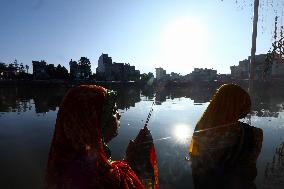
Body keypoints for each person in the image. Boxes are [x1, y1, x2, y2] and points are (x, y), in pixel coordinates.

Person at [46, 85, 158, 189]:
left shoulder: (62, 164)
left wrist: (128, 159)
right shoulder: (104, 180)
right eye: (113, 111)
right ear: (92, 122)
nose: (119, 114)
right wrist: (137, 161)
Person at [189, 84, 263, 189]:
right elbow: (251, 171)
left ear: (215, 103)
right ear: (243, 107)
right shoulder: (255, 134)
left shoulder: (200, 129)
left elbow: (195, 164)